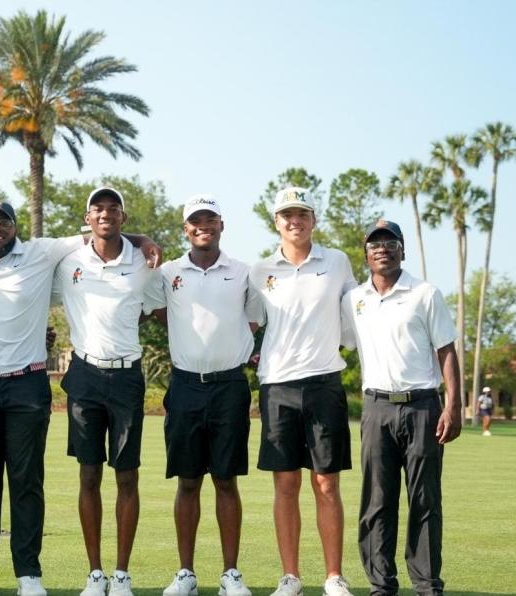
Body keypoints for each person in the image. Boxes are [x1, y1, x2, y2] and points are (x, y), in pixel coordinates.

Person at [0, 199, 160, 596]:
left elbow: (100, 232)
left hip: (28, 385)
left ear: (16, 227)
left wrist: (141, 237)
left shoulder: (41, 252)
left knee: (27, 482)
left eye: (3, 221)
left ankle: (28, 574)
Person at [144, 194, 264, 596]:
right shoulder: (168, 273)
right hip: (184, 385)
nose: (202, 226)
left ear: (221, 225)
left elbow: (254, 319)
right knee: (188, 481)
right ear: (186, 228)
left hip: (230, 386)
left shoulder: (243, 272)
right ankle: (186, 573)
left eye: (209, 219)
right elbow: (160, 312)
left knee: (226, 481)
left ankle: (231, 574)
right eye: (195, 221)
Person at [340, 219, 462, 596]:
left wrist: (453, 406)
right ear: (366, 254)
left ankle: (426, 585)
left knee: (425, 499)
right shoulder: (353, 299)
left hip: (423, 406)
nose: (382, 248)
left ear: (402, 250)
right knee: (377, 500)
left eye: (390, 242)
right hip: (376, 408)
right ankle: (381, 584)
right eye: (375, 244)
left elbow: (446, 350)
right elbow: (332, 342)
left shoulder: (425, 293)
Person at [250, 187, 357, 596]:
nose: (295, 220)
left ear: (314, 220)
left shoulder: (336, 262)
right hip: (277, 385)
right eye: (287, 214)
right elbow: (250, 324)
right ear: (276, 221)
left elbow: (353, 312)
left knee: (327, 483)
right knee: (286, 484)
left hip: (324, 382)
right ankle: (290, 576)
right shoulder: (260, 271)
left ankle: (333, 576)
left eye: (303, 214)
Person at [52, 187, 156, 596]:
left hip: (128, 376)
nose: (106, 213)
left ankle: (122, 574)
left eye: (114, 208)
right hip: (84, 376)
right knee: (89, 473)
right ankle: (95, 574)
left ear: (124, 219)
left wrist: (143, 241)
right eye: (99, 208)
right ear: (87, 217)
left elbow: (155, 310)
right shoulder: (69, 262)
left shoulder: (144, 262)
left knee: (127, 476)